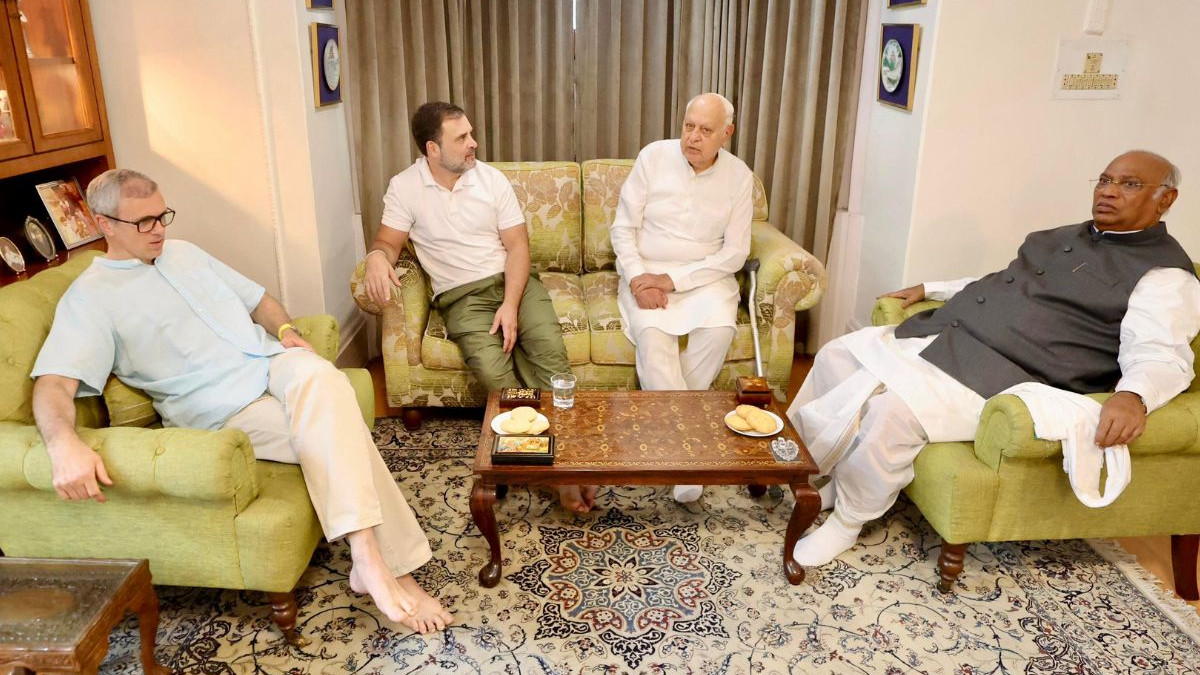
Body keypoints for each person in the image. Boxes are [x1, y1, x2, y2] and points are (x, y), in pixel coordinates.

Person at [31, 169, 453, 635]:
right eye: (143, 222)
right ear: (104, 223)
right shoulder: (90, 298)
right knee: (338, 433)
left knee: (320, 374)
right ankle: (384, 564)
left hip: (271, 362)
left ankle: (367, 557)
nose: (159, 230)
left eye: (162, 216)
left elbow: (259, 300)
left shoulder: (185, 253)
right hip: (224, 407)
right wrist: (62, 444)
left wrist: (287, 331)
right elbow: (53, 384)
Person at [786, 150, 1200, 566]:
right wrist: (932, 288)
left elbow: (1162, 353)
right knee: (838, 355)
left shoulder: (1165, 277)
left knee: (892, 411)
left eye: (1130, 184)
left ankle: (848, 521)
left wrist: (1134, 395)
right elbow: (1008, 281)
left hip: (1009, 375)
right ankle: (816, 470)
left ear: (1166, 199)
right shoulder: (1066, 235)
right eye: (1105, 180)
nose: (1109, 191)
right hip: (955, 338)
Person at [361, 102, 595, 513]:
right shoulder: (405, 187)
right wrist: (377, 258)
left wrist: (510, 305)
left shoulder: (491, 180)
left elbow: (518, 247)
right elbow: (387, 242)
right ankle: (549, 468)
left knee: (551, 361)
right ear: (433, 149)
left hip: (513, 282)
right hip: (461, 297)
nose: (474, 143)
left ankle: (567, 464)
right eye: (462, 138)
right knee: (495, 376)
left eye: (470, 133)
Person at [609, 92, 754, 504]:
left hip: (705, 277)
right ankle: (691, 453)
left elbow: (735, 253)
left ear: (727, 133)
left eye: (705, 130)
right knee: (655, 340)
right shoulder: (653, 157)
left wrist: (674, 280)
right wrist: (640, 278)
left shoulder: (740, 176)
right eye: (689, 126)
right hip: (646, 271)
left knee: (719, 331)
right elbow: (622, 229)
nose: (693, 137)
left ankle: (669, 435)